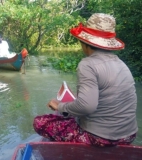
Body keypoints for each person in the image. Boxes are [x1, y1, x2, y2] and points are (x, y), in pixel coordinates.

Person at [33, 13, 138, 147]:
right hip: (129, 135)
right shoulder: (121, 64)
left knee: (40, 122)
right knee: (73, 115)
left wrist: (59, 106)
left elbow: (87, 106)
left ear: (85, 43)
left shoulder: (87, 64)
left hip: (100, 138)